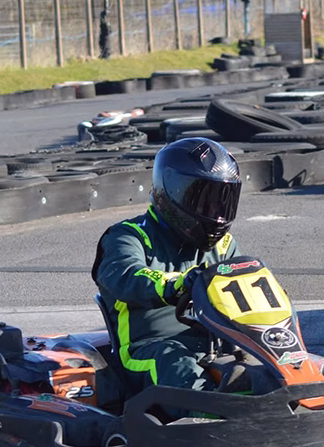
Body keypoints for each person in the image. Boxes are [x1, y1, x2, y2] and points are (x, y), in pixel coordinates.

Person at [91, 137, 244, 399]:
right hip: (147, 349)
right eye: (205, 201)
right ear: (173, 191)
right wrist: (178, 284)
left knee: (264, 363)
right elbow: (127, 276)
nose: (215, 211)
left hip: (215, 344)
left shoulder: (224, 245)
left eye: (221, 201)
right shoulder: (127, 236)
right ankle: (208, 419)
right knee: (176, 364)